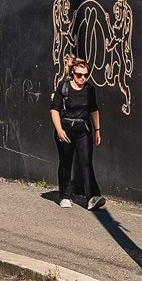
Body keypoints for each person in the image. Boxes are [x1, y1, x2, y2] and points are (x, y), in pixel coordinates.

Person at [50, 57, 105, 209]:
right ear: (73, 73)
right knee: (66, 162)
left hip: (83, 131)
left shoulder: (90, 90)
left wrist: (97, 130)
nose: (82, 78)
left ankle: (92, 197)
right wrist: (59, 130)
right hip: (66, 131)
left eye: (86, 75)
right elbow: (54, 110)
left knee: (86, 163)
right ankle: (65, 195)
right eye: (79, 75)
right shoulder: (64, 87)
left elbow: (94, 110)